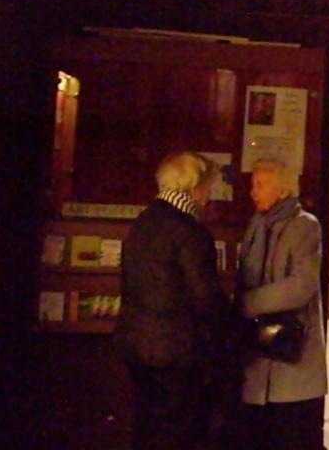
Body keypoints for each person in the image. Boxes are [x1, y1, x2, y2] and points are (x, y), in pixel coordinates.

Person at [114, 151, 230, 450]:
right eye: (208, 186)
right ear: (194, 187)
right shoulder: (191, 232)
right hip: (178, 353)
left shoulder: (143, 223)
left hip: (136, 345)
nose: (209, 195)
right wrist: (232, 330)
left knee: (147, 428)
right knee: (179, 432)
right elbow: (205, 298)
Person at [237, 159, 327, 450]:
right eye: (253, 185)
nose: (253, 192)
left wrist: (248, 303)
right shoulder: (257, 224)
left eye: (260, 185)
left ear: (283, 190)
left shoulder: (305, 226)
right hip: (257, 350)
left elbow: (300, 286)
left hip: (291, 351)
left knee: (291, 434)